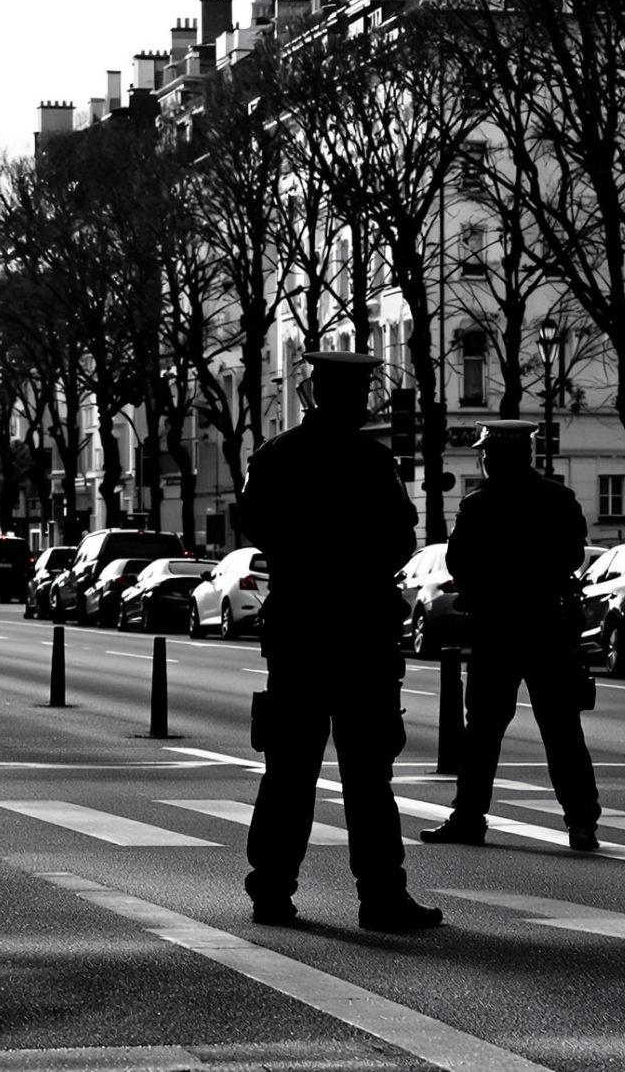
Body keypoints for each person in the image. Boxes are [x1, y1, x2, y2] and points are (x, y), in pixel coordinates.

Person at [237, 351, 440, 932]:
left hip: (300, 626)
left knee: (289, 771)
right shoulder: (371, 460)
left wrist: (306, 562)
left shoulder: (276, 456)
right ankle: (380, 896)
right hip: (359, 630)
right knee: (369, 774)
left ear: (311, 393)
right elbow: (401, 539)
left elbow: (257, 526)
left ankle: (272, 889)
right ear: (355, 398)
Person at [420, 420, 600, 851]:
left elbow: (459, 563)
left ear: (493, 458)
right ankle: (581, 821)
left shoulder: (478, 505)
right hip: (547, 626)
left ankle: (469, 816)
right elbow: (573, 555)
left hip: (496, 628)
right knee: (561, 729)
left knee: (482, 730)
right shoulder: (560, 500)